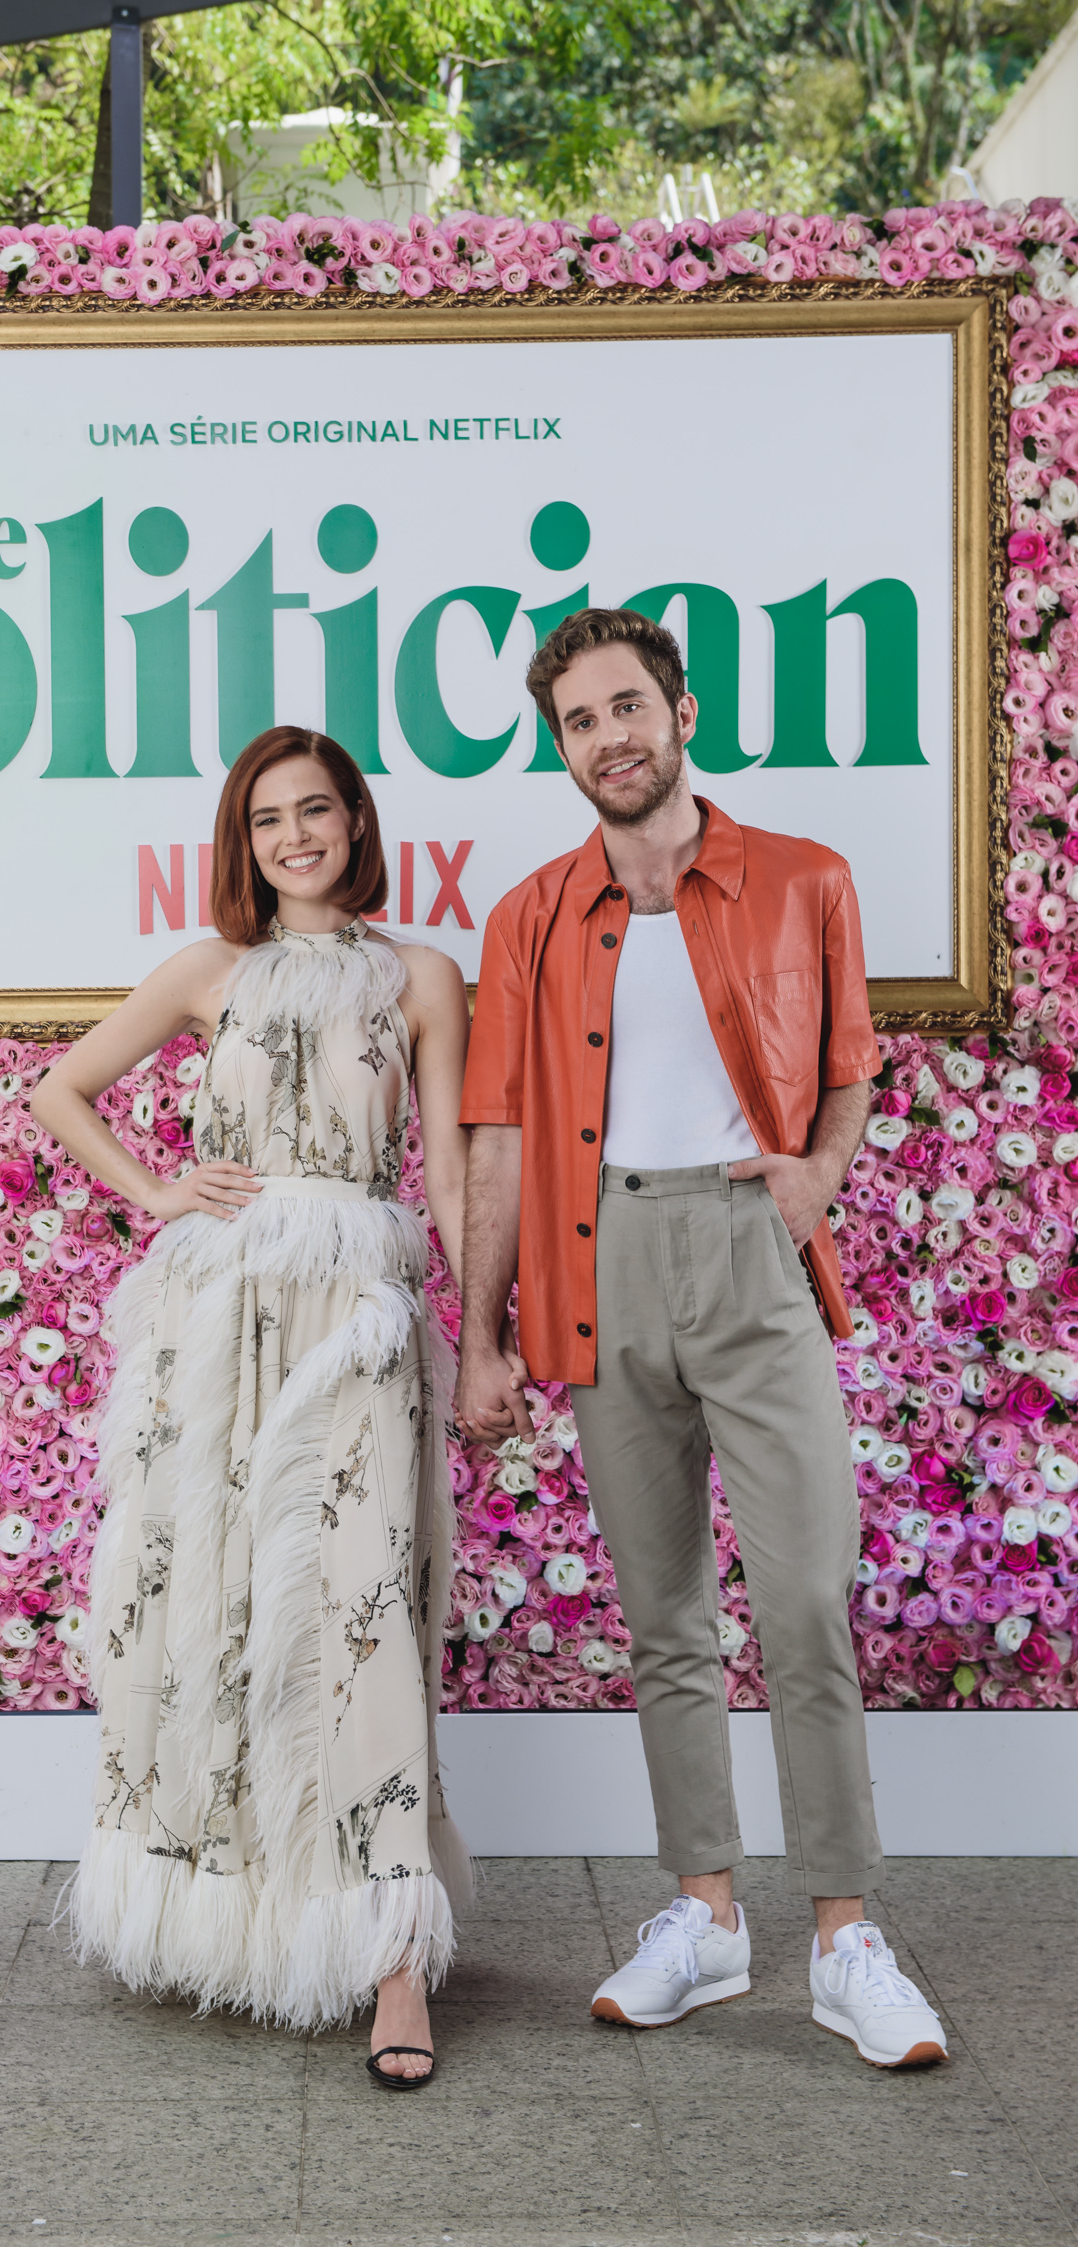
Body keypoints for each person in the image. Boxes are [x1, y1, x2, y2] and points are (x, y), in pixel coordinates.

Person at [453, 607, 948, 2070]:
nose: (608, 738)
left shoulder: (805, 881)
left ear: (679, 709)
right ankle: (707, 1917)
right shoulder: (531, 915)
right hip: (595, 1264)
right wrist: (480, 1337)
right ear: (562, 749)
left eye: (626, 707)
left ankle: (847, 1936)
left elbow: (851, 1072)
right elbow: (495, 1138)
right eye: (578, 723)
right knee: (665, 1618)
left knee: (804, 1607)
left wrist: (813, 1177)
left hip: (752, 1256)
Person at [33, 726, 476, 2087]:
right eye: (269, 817)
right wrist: (164, 1191)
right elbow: (61, 1090)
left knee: (360, 1606)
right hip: (215, 1324)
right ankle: (234, 1920)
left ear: (355, 821)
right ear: (245, 838)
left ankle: (393, 1957)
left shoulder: (418, 977)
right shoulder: (206, 971)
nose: (295, 835)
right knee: (212, 1603)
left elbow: (448, 1170)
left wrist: (496, 1334)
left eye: (318, 810)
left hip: (356, 1315)